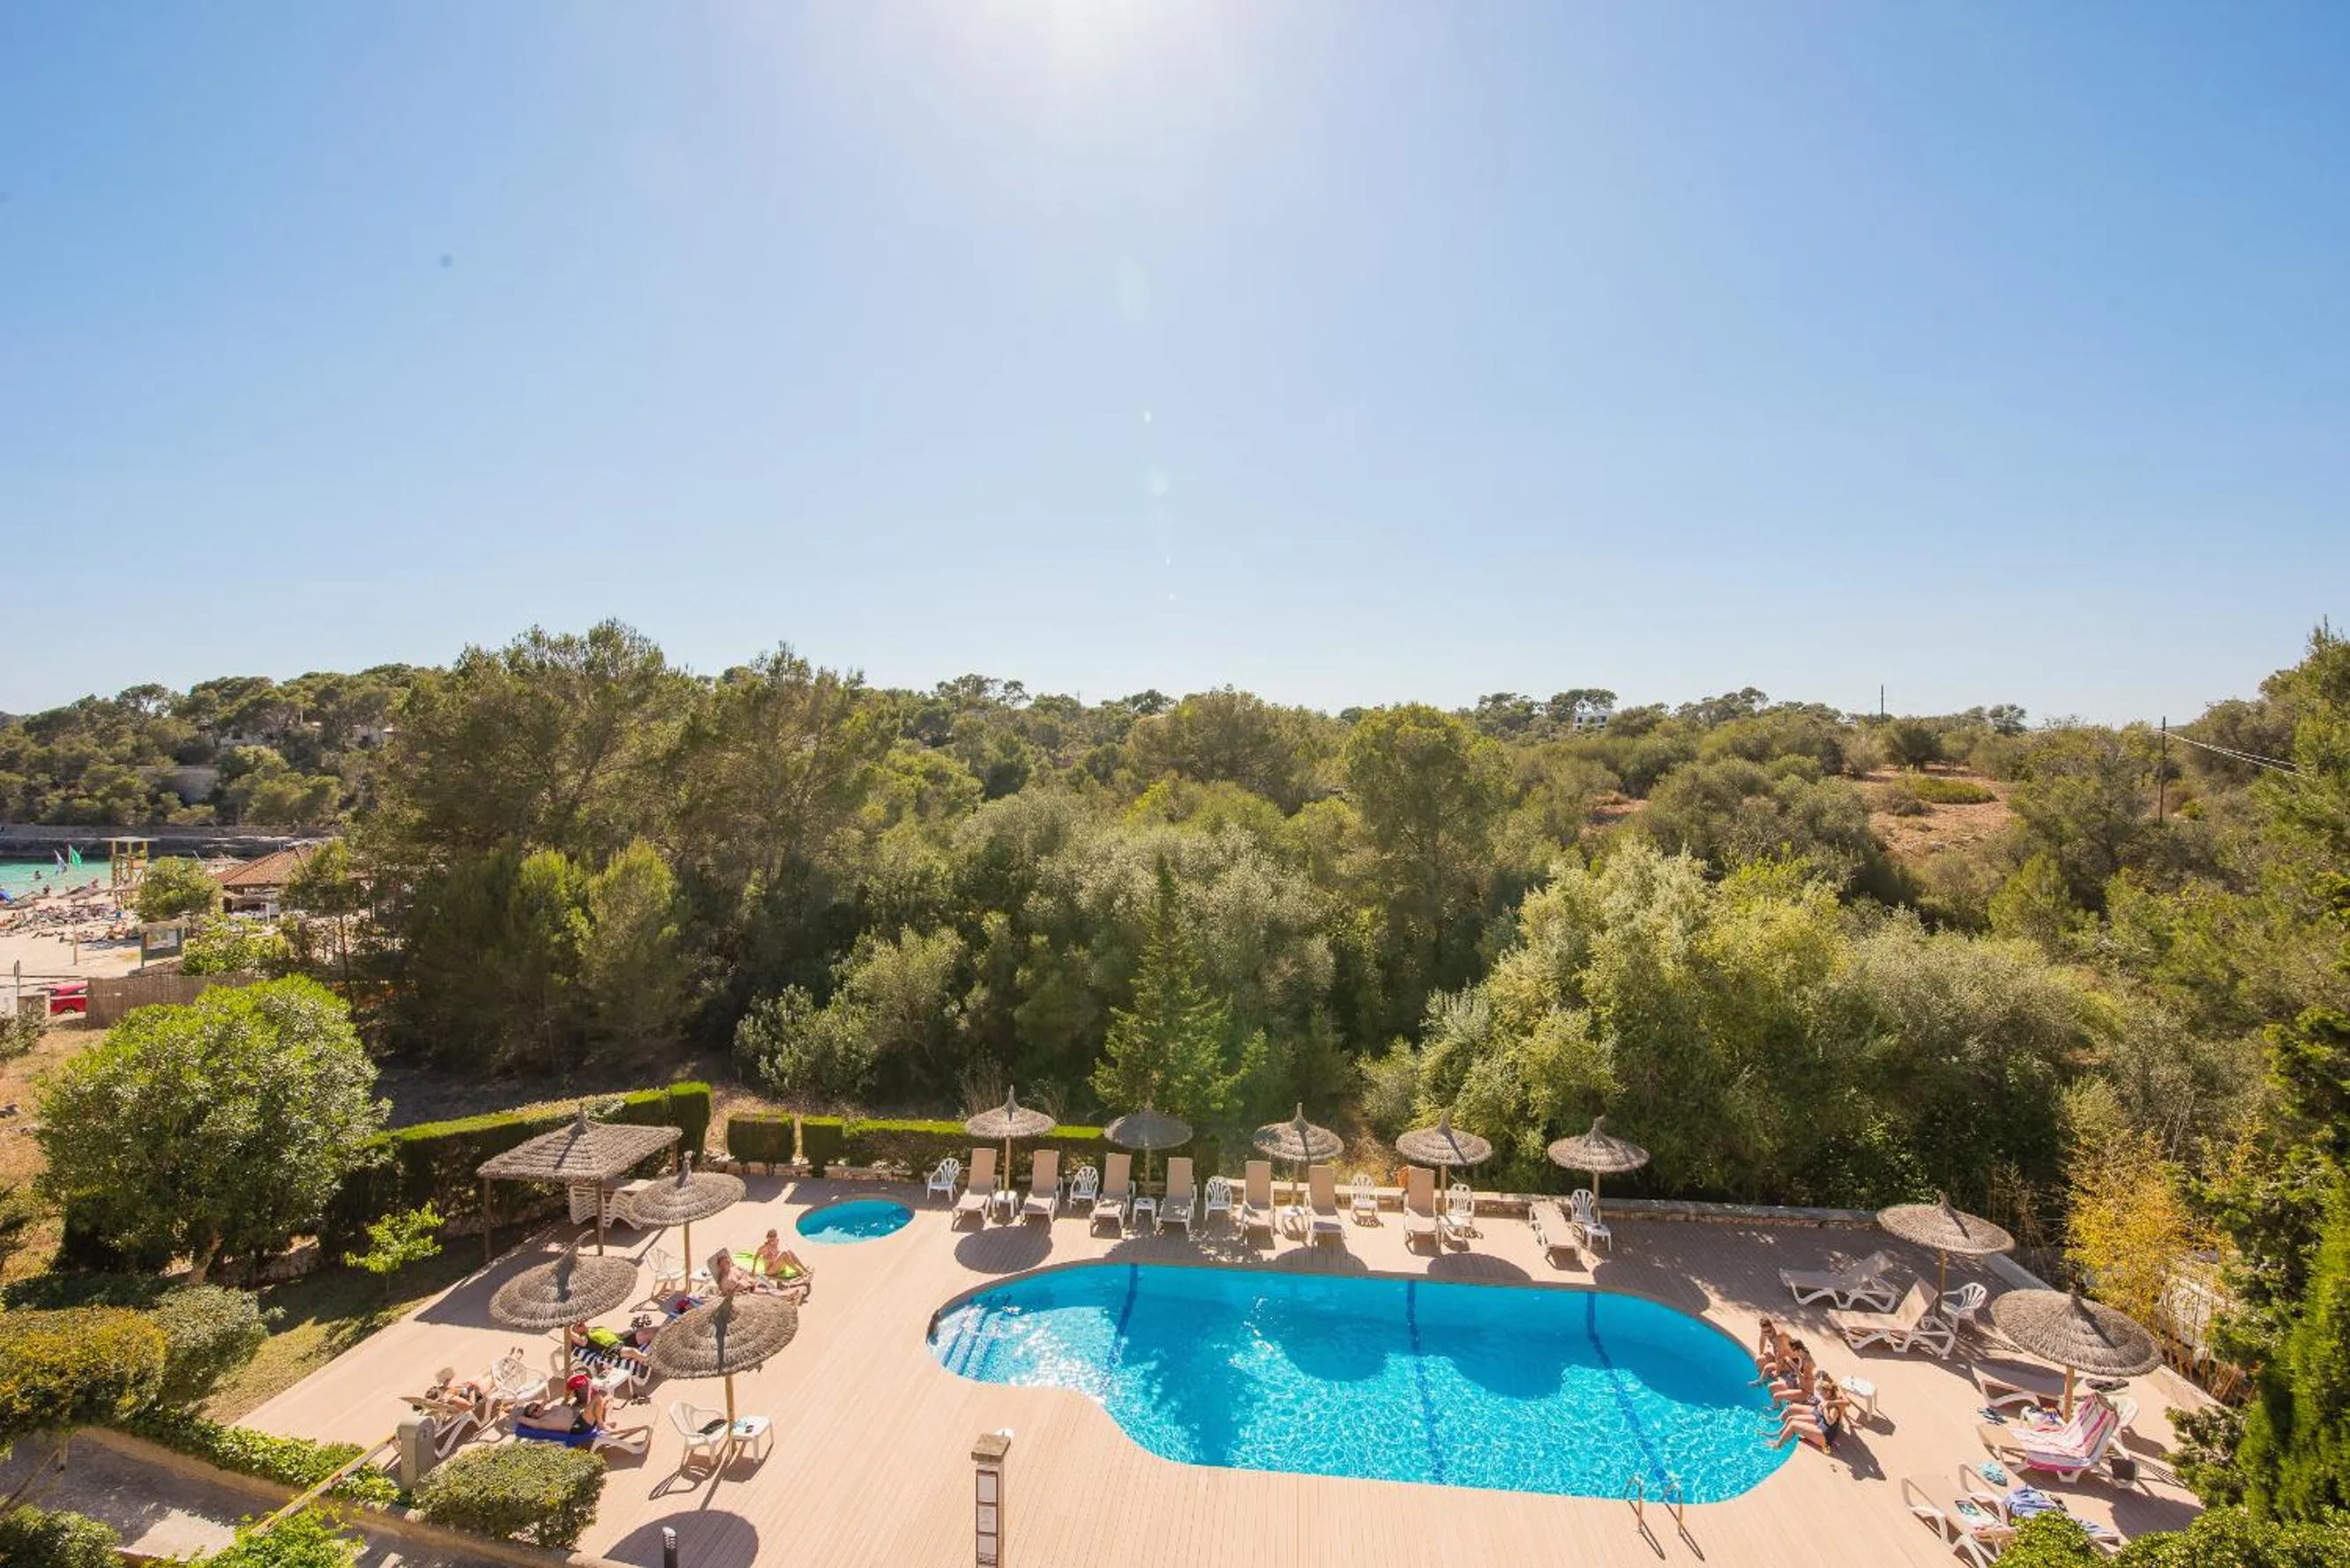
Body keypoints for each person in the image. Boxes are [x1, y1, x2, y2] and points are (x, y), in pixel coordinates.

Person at [1773, 1372, 1852, 1451]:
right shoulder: (1827, 1397)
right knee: (1791, 1419)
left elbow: (1830, 1422)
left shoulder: (1833, 1406)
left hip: (1826, 1436)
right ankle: (1780, 1434)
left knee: (1794, 1425)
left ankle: (1778, 1446)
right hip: (1823, 1424)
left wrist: (1824, 1407)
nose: (1820, 1396)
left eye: (1821, 1394)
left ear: (1827, 1392)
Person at [753, 1229, 815, 1298]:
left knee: (789, 1251)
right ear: (767, 1237)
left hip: (779, 1268)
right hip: (770, 1271)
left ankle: (804, 1269)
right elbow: (756, 1257)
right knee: (784, 1253)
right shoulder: (764, 1248)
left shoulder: (776, 1243)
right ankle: (800, 1272)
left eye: (773, 1236)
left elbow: (777, 1252)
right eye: (770, 1237)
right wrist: (753, 1270)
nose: (772, 1238)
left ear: (776, 1237)